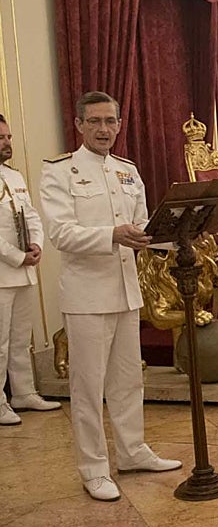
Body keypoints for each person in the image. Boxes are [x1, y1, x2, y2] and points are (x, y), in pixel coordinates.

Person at [40, 91, 182, 501]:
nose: (104, 129)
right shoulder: (60, 172)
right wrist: (112, 236)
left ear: (120, 125)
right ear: (80, 125)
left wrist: (166, 235)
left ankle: (133, 451)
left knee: (128, 380)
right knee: (88, 387)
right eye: (95, 122)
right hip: (86, 295)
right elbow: (61, 233)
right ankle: (93, 468)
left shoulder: (127, 171)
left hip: (126, 290)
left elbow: (140, 224)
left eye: (111, 121)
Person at [0, 115, 60, 426]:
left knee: (22, 336)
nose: (8, 143)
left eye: (8, 137)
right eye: (1, 138)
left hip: (24, 270)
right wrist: (15, 256)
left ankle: (23, 391)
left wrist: (36, 245)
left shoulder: (14, 177)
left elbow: (32, 216)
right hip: (2, 273)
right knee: (0, 341)